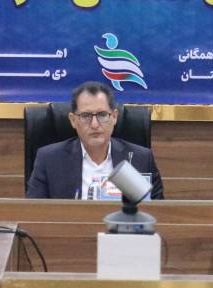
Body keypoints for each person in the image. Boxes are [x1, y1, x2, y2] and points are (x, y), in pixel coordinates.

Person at [27, 81, 164, 200]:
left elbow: (157, 213)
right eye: (85, 116)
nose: (94, 124)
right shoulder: (49, 160)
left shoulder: (139, 159)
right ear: (73, 120)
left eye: (102, 115)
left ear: (114, 117)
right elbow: (34, 213)